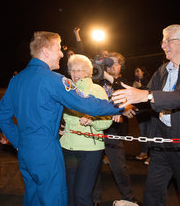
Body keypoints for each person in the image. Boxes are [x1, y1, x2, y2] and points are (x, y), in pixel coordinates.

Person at [0, 31, 123, 206]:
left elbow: (1, 115)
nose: (62, 54)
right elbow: (86, 104)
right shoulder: (54, 80)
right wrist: (118, 106)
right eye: (58, 49)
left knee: (33, 198)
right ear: (46, 51)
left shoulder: (17, 80)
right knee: (54, 198)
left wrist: (18, 141)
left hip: (26, 150)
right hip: (47, 151)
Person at [113, 24, 180, 206]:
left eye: (168, 40)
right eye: (162, 40)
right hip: (162, 141)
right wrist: (125, 106)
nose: (163, 45)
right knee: (153, 193)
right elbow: (148, 97)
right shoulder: (162, 70)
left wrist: (146, 95)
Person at [60, 54, 113, 206]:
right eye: (72, 70)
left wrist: (92, 120)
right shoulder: (67, 90)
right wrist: (59, 127)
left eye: (79, 70)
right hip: (68, 147)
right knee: (69, 195)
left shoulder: (96, 90)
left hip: (89, 150)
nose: (75, 74)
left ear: (87, 72)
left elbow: (107, 120)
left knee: (81, 195)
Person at [94, 52, 137, 204]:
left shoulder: (124, 82)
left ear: (121, 66)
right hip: (96, 129)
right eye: (109, 63)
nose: (112, 66)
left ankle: (128, 198)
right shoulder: (97, 81)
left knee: (119, 168)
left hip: (114, 131)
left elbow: (131, 102)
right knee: (94, 167)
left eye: (116, 63)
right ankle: (95, 199)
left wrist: (122, 109)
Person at [132, 67, 151, 163]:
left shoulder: (149, 80)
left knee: (151, 134)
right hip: (140, 112)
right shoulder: (135, 82)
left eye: (138, 71)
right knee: (143, 133)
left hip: (149, 111)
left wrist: (140, 87)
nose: (136, 73)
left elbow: (150, 93)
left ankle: (151, 156)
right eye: (135, 71)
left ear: (143, 72)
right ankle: (144, 152)